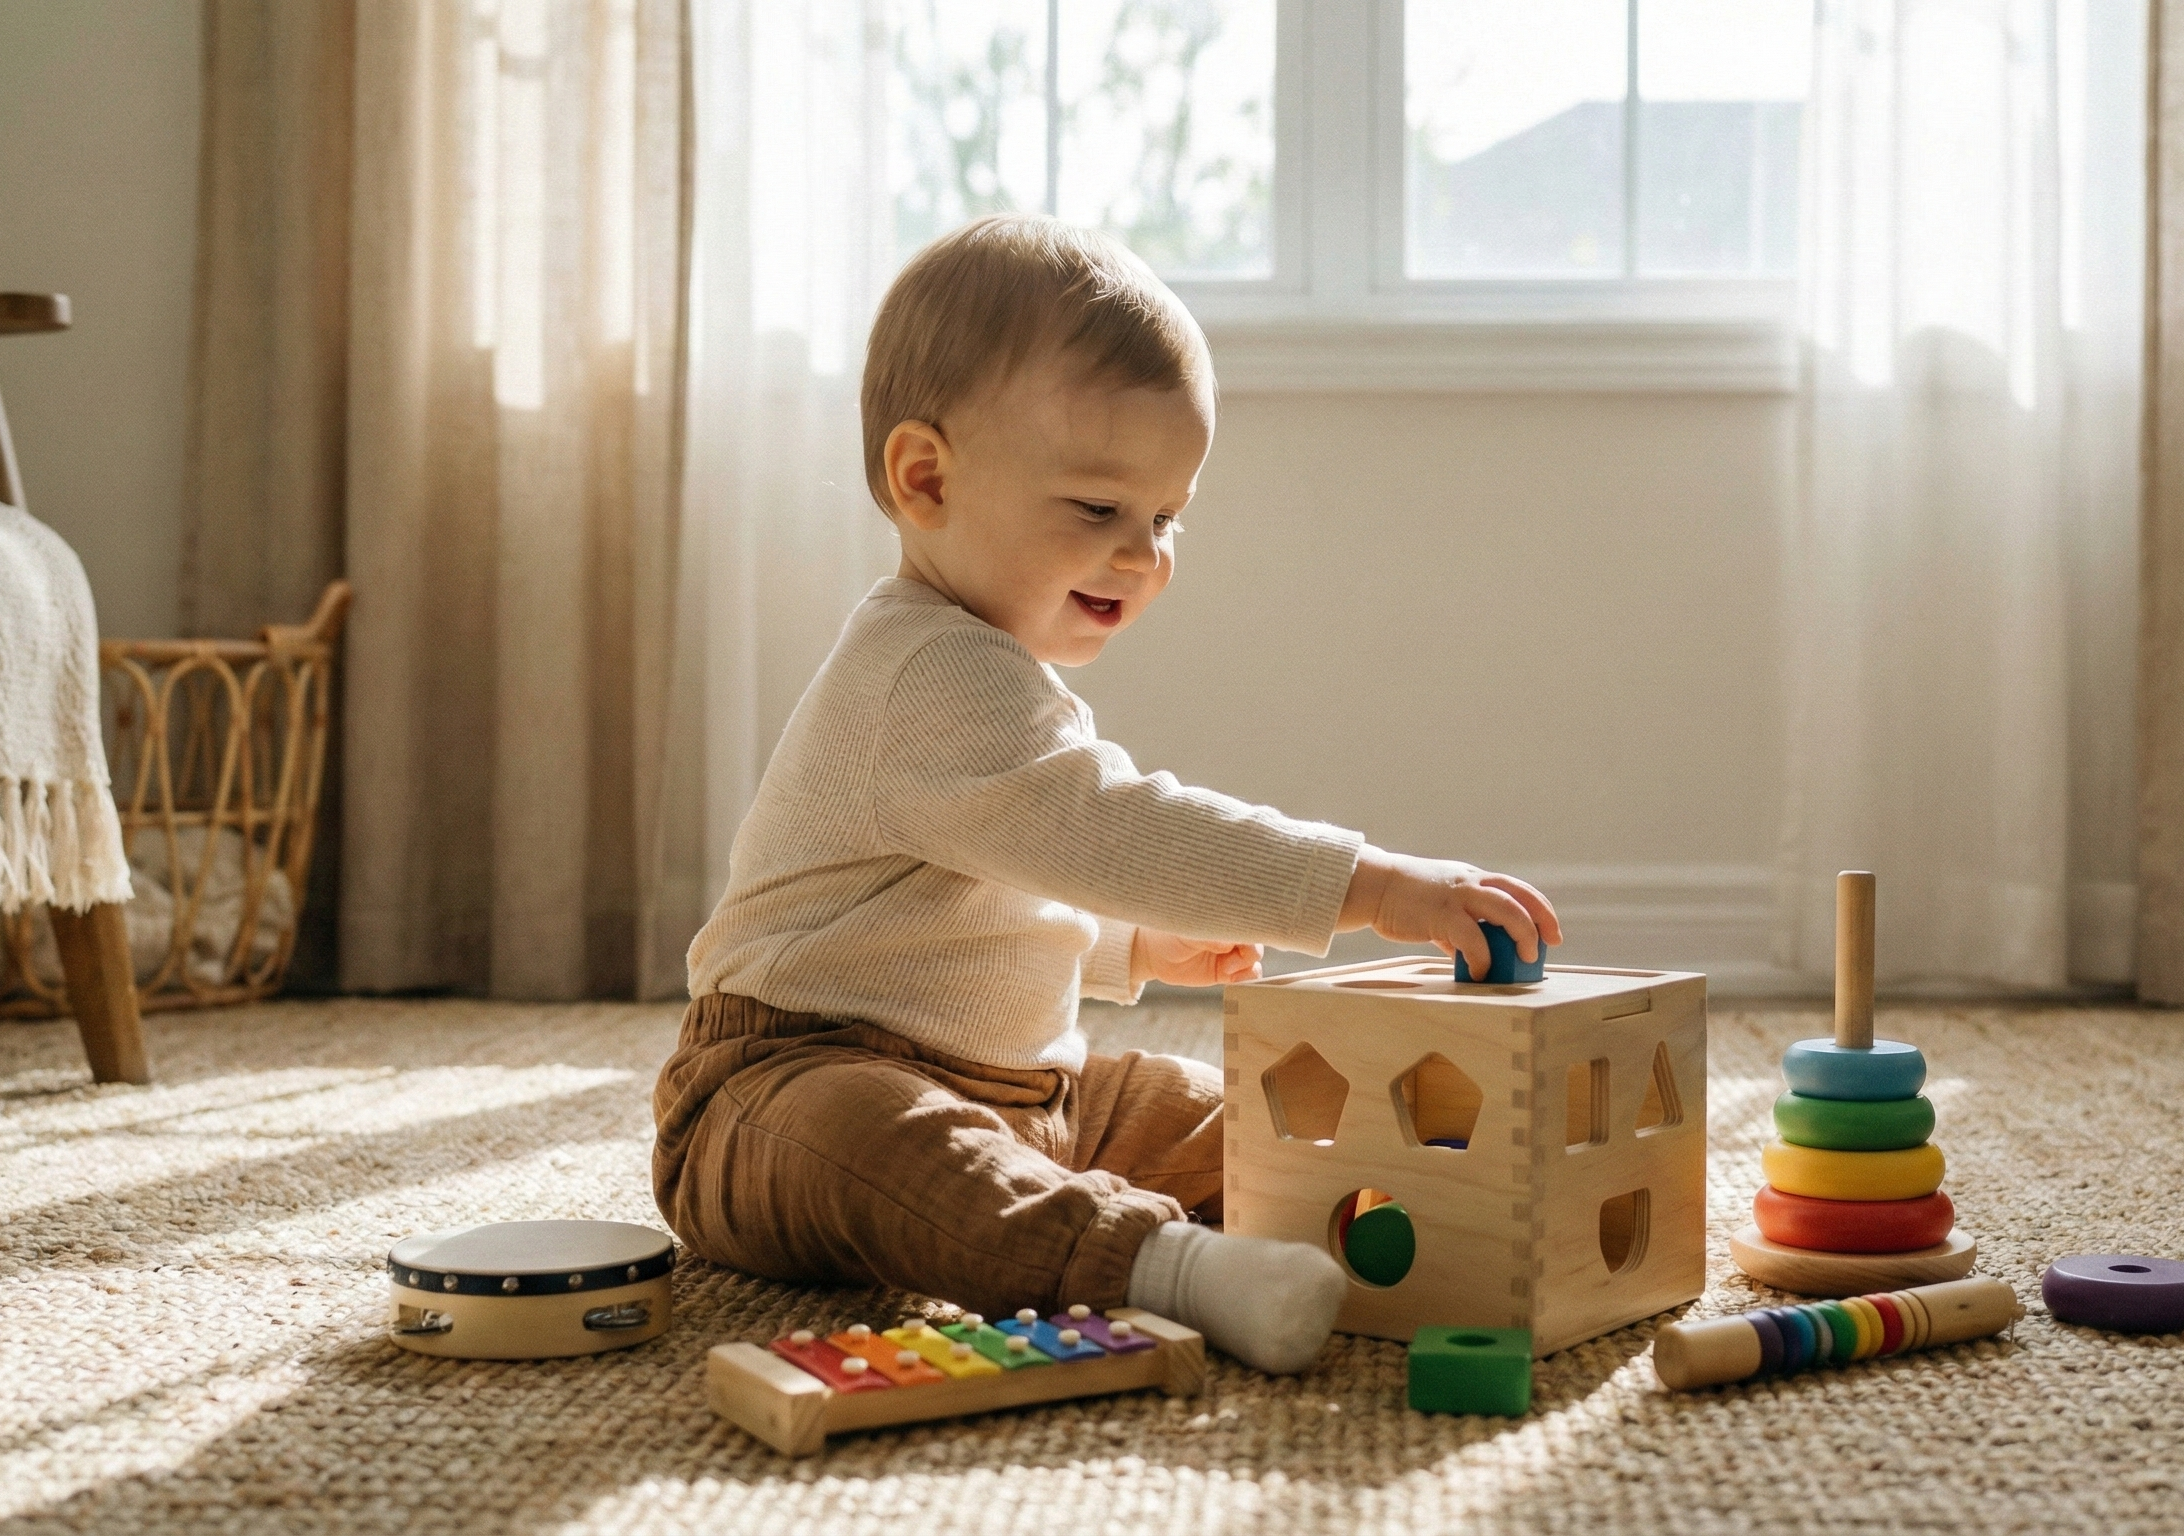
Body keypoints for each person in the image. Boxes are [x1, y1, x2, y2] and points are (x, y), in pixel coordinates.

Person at [653, 214, 1560, 1373]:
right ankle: (1165, 1267)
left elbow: (959, 906)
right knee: (894, 1144)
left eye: (1164, 517)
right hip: (774, 1093)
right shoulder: (921, 670)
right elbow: (1099, 826)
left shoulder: (992, 677)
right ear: (925, 479)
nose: (1141, 555)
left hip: (1032, 1092)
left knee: (1233, 1115)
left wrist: (1126, 945)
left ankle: (1417, 1211)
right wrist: (1369, 885)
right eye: (1097, 510)